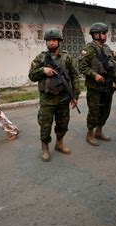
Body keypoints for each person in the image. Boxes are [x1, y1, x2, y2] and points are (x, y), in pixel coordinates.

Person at [28, 28, 81, 162]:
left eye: (54, 40)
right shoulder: (41, 57)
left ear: (59, 41)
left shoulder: (67, 57)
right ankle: (45, 148)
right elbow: (31, 76)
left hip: (63, 98)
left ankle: (59, 144)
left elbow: (75, 76)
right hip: (47, 99)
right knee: (45, 125)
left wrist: (75, 96)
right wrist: (42, 70)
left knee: (63, 123)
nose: (51, 43)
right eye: (49, 40)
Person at [79, 22, 116, 146]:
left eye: (105, 33)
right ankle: (90, 133)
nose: (105, 35)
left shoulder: (107, 48)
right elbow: (81, 67)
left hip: (108, 85)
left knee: (105, 110)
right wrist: (94, 75)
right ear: (96, 34)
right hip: (94, 87)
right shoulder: (88, 49)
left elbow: (113, 67)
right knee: (94, 111)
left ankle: (99, 131)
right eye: (103, 33)